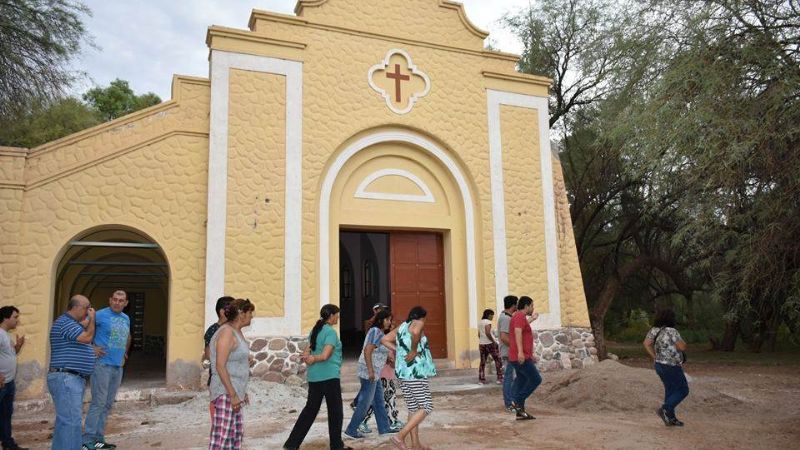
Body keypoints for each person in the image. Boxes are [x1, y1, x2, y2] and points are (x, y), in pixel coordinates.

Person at [284, 305, 352, 450]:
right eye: (337, 315)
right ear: (332, 316)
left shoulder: (316, 330)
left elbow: (306, 351)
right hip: (329, 377)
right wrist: (313, 358)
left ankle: (291, 444)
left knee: (309, 411)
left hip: (315, 377)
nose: (338, 318)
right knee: (335, 412)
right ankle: (336, 445)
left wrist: (306, 357)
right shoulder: (331, 333)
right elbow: (326, 355)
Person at [382, 306, 436, 450]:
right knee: (426, 406)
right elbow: (416, 331)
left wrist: (399, 350)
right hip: (415, 371)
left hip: (403, 372)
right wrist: (413, 350)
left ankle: (415, 444)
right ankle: (400, 436)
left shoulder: (402, 326)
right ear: (421, 316)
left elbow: (385, 339)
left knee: (413, 408)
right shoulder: (418, 323)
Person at [82, 290, 130, 450]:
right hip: (102, 364)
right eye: (115, 299)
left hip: (118, 366)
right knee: (98, 402)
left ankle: (98, 439)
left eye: (121, 300)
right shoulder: (100, 315)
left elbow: (126, 336)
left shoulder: (126, 318)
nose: (117, 302)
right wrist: (91, 348)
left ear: (126, 303)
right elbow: (80, 331)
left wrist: (125, 351)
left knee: (108, 404)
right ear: (110, 300)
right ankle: (87, 440)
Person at [48, 295, 96, 450]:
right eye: (87, 308)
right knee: (71, 422)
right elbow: (87, 337)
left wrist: (87, 320)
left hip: (70, 378)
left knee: (65, 422)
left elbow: (83, 330)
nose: (88, 312)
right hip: (67, 378)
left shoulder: (70, 324)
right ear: (77, 307)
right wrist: (93, 318)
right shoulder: (66, 323)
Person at [209, 299, 255, 449]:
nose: (252, 316)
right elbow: (220, 366)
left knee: (234, 438)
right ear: (241, 314)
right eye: (250, 313)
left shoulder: (236, 332)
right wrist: (232, 394)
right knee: (221, 440)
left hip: (234, 391)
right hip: (225, 393)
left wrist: (241, 391)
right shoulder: (226, 332)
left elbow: (234, 363)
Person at [344, 309, 396, 439]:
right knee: (365, 403)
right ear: (381, 320)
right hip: (369, 372)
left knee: (379, 401)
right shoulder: (375, 332)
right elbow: (367, 351)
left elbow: (377, 351)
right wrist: (371, 371)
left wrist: (388, 359)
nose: (390, 322)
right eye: (388, 319)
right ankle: (351, 430)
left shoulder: (380, 333)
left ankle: (384, 428)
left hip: (375, 373)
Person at [644, 309, 689, 427]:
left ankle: (671, 418)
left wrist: (654, 356)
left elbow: (646, 343)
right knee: (683, 390)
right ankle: (665, 409)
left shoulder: (654, 330)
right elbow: (682, 347)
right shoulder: (672, 331)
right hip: (672, 365)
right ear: (671, 318)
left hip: (659, 364)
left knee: (670, 390)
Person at [360, 314, 403, 433]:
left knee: (387, 399)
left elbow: (392, 360)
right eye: (389, 321)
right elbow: (372, 353)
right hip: (382, 374)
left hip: (387, 374)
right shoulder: (379, 336)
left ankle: (391, 421)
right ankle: (363, 421)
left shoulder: (387, 338)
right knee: (382, 400)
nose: (391, 323)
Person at [508, 296, 541, 421]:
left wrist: (532, 319)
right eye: (532, 305)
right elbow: (517, 333)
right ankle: (516, 401)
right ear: (526, 306)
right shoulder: (519, 316)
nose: (533, 308)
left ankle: (520, 413)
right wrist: (521, 353)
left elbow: (523, 329)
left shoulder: (520, 317)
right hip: (520, 357)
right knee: (536, 379)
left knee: (522, 379)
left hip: (522, 356)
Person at [0, 306, 27, 450]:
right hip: (1, 383)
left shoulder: (6, 334)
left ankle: (8, 444)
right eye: (15, 317)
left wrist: (18, 347)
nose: (17, 320)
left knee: (6, 415)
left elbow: (8, 355)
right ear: (6, 318)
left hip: (8, 383)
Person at [204, 296, 235, 385]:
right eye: (232, 311)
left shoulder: (233, 329)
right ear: (222, 312)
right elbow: (208, 355)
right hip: (219, 380)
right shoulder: (213, 330)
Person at [497, 295, 518, 412]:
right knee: (509, 378)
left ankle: (511, 401)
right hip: (509, 353)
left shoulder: (507, 317)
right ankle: (509, 403)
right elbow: (504, 337)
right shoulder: (506, 318)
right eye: (517, 304)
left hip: (509, 352)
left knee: (511, 378)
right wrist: (516, 347)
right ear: (513, 305)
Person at [478, 309, 503, 385]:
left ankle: (481, 379)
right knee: (498, 360)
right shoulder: (488, 322)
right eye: (492, 315)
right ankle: (499, 378)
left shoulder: (480, 322)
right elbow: (488, 333)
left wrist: (482, 340)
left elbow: (479, 334)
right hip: (490, 343)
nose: (492, 317)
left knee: (482, 362)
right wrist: (493, 341)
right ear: (489, 315)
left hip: (482, 344)